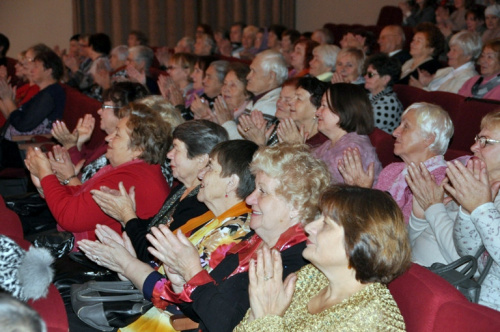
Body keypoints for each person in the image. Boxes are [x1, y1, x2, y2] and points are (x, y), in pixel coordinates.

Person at [119, 143, 330, 332]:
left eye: (262, 191)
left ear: (296, 205)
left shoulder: (297, 260)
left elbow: (227, 323)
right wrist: (180, 281)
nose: (250, 198)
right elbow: (200, 309)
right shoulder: (253, 241)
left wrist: (193, 272)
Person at [78, 139, 258, 332]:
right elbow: (165, 270)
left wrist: (127, 263)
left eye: (210, 168)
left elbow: (177, 296)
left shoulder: (235, 231)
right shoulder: (214, 217)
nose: (201, 174)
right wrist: (126, 260)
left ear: (231, 182)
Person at [234, 184, 410, 331]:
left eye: (325, 224)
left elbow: (265, 320)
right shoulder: (314, 276)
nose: (309, 227)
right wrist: (258, 314)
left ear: (360, 241)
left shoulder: (374, 318)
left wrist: (266, 319)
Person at [24, 103, 171, 245]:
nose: (108, 138)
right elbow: (82, 196)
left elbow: (70, 218)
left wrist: (46, 174)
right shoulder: (136, 170)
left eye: (117, 135)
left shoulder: (130, 178)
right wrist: (45, 185)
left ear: (139, 149)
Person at [91, 120, 228, 262]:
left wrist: (127, 215)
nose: (169, 154)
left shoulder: (201, 204)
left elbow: (152, 255)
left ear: (201, 159)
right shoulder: (182, 189)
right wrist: (124, 211)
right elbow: (153, 227)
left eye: (176, 148)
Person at [339, 102, 454, 223]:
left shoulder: (440, 181)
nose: (395, 132)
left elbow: (403, 231)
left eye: (406, 127)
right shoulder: (392, 170)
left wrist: (365, 194)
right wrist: (358, 192)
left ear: (429, 139)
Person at [446, 110, 500, 310]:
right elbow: (469, 253)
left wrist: (481, 208)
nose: (473, 147)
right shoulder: (487, 188)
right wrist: (468, 210)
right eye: (477, 139)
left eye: (484, 141)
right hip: (477, 300)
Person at [50, 82, 149, 184]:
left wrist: (70, 146)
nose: (99, 111)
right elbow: (85, 164)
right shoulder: (107, 140)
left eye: (105, 107)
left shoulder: (120, 150)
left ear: (123, 112)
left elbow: (83, 184)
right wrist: (78, 143)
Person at [314, 83, 381, 184]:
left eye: (324, 105)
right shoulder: (333, 143)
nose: (317, 112)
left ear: (344, 109)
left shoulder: (351, 151)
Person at [222, 50, 287, 139]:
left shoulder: (271, 106)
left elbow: (243, 146)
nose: (248, 76)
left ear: (271, 76)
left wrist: (226, 121)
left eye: (254, 71)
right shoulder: (259, 100)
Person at [410, 30, 481, 93]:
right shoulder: (447, 70)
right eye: (450, 50)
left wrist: (421, 88)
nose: (448, 54)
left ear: (468, 56)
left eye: (454, 50)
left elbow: (446, 102)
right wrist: (426, 82)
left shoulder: (468, 78)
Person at [238, 78, 298, 147]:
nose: (279, 103)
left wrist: (258, 143)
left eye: (287, 100)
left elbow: (277, 157)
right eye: (280, 97)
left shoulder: (295, 135)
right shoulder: (273, 124)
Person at [277, 77, 328, 149]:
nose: (290, 102)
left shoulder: (323, 143)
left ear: (317, 109)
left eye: (299, 99)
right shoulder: (290, 135)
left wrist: (297, 148)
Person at [364, 53, 403, 134]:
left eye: (370, 74)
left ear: (385, 79)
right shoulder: (370, 96)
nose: (365, 77)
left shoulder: (390, 102)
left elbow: (362, 125)